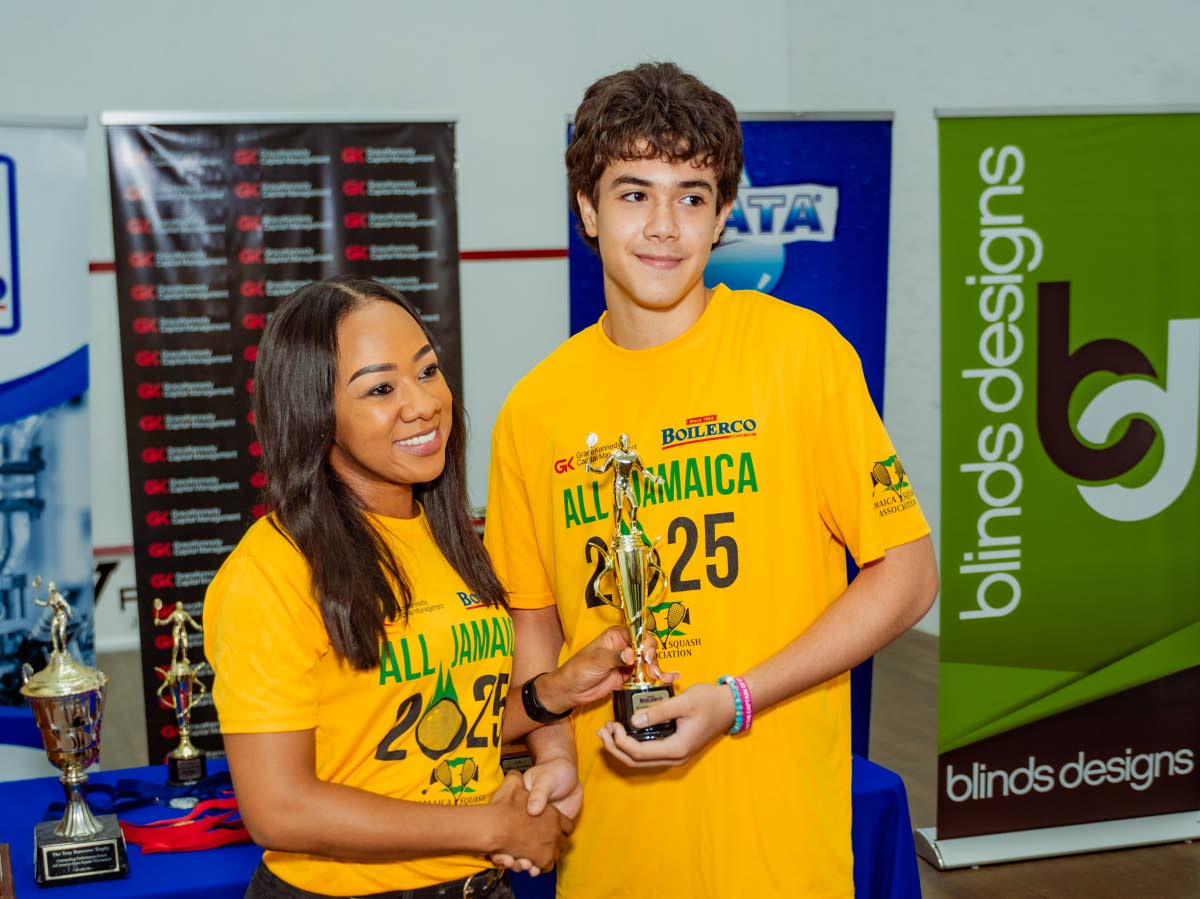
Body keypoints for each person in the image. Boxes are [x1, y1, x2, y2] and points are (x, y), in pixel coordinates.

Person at [484, 63, 939, 898]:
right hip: (612, 860)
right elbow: (535, 618)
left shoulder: (800, 355)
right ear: (586, 207)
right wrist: (554, 755)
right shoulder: (534, 407)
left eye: (691, 195)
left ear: (724, 213)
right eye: (633, 193)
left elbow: (908, 574)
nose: (664, 226)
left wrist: (736, 698)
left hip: (778, 857)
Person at [205, 277, 638, 899]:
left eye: (428, 371)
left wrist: (554, 692)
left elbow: (438, 727)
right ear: (314, 414)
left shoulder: (451, 539)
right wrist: (493, 824)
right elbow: (280, 808)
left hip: (475, 882)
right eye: (380, 388)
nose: (422, 404)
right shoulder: (272, 570)